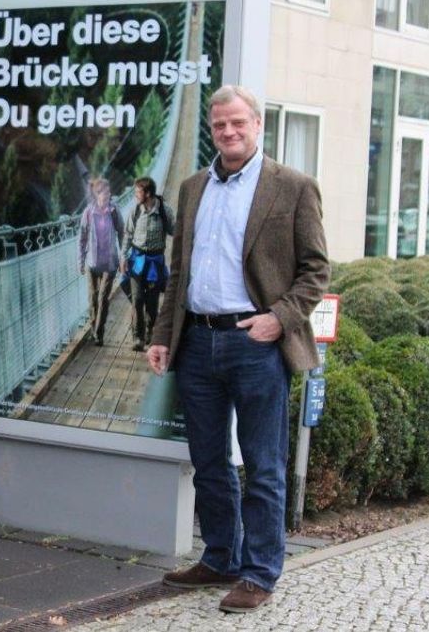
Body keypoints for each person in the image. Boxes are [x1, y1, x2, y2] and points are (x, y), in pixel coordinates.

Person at [147, 85, 329, 613]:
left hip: (256, 343)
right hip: (198, 341)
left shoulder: (292, 187)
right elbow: (178, 272)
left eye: (238, 124)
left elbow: (316, 269)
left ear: (258, 125)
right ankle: (222, 556)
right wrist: (163, 336)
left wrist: (280, 318)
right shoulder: (192, 187)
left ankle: (260, 570)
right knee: (207, 461)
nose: (228, 132)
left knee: (263, 463)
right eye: (219, 125)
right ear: (212, 129)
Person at [121, 176, 175, 352]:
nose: (136, 195)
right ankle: (138, 337)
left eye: (138, 191)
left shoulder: (164, 211)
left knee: (152, 303)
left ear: (148, 193)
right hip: (137, 261)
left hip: (155, 263)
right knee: (136, 299)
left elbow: (175, 230)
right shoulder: (135, 211)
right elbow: (128, 235)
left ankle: (151, 331)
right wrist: (123, 257)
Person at [78, 178, 124, 347]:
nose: (109, 194)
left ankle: (98, 333)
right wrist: (80, 261)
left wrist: (122, 256)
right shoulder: (88, 213)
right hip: (92, 262)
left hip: (110, 263)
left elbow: (122, 233)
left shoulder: (114, 211)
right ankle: (93, 328)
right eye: (105, 192)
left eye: (109, 192)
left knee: (103, 297)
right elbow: (82, 239)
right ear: (98, 194)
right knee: (93, 298)